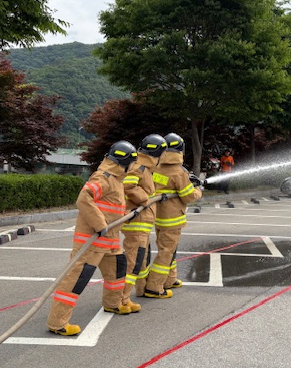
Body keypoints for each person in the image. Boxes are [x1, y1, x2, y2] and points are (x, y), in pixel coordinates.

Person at [46, 140, 138, 336]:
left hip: (111, 240)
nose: (133, 167)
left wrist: (127, 215)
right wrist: (100, 224)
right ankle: (58, 323)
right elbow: (84, 198)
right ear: (124, 162)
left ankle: (113, 303)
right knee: (76, 280)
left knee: (117, 272)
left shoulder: (117, 180)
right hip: (93, 241)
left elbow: (111, 208)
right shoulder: (103, 178)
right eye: (132, 163)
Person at [143, 132, 202, 298]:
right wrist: (197, 189)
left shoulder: (156, 167)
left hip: (158, 217)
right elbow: (188, 196)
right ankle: (154, 287)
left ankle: (170, 279)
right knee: (167, 251)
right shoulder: (179, 172)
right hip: (173, 218)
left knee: (168, 248)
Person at [120, 134, 167, 313]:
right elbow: (127, 186)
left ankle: (139, 290)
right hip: (136, 224)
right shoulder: (138, 168)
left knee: (142, 261)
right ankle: (121, 300)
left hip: (142, 225)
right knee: (133, 262)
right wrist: (145, 199)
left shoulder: (146, 169)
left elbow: (147, 187)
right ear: (157, 153)